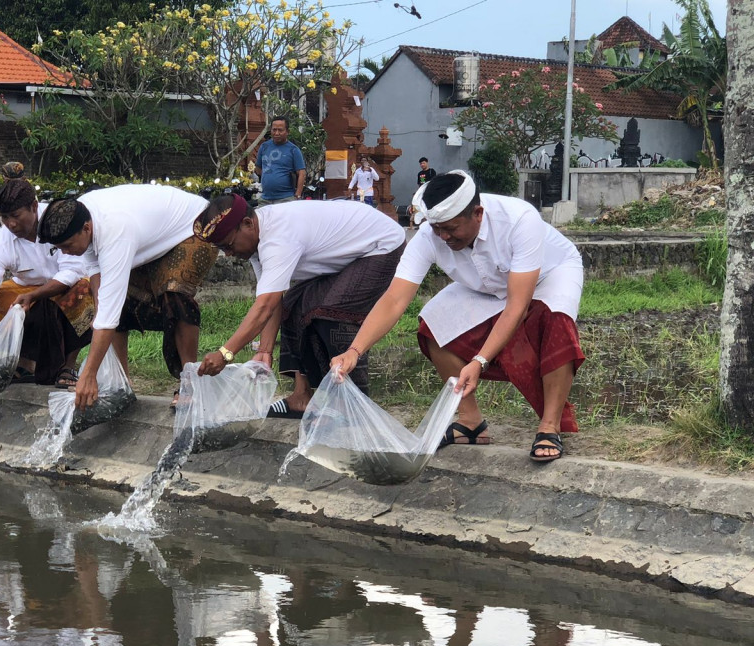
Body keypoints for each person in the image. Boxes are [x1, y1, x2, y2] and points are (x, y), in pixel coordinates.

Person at [332, 171, 585, 462]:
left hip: (548, 275)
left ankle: (549, 426)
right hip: (483, 284)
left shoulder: (519, 219)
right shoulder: (432, 235)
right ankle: (470, 422)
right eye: (437, 229)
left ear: (478, 213)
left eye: (451, 229)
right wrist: (354, 350)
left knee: (557, 323)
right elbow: (394, 299)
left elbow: (517, 305)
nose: (443, 237)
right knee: (435, 326)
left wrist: (479, 360)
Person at [193, 194, 406, 418]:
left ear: (248, 224)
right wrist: (265, 351)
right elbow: (273, 300)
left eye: (229, 245)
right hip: (353, 253)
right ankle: (301, 397)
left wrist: (225, 353)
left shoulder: (278, 237)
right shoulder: (257, 240)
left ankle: (353, 405)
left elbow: (264, 306)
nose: (228, 254)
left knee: (332, 312)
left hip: (383, 246)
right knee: (293, 304)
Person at [36, 184, 218, 409]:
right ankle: (121, 383)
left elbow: (109, 313)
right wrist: (99, 309)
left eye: (67, 245)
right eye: (58, 248)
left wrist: (89, 374)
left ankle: (190, 382)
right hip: (152, 238)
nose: (64, 252)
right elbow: (95, 269)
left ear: (86, 228)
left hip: (193, 226)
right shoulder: (82, 213)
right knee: (112, 308)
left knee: (175, 292)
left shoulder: (114, 231)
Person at [0, 179, 94, 386]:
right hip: (25, 290)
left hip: (67, 287)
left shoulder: (58, 219)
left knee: (84, 291)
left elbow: (72, 271)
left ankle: (67, 366)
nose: (11, 224)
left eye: (15, 216)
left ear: (33, 206)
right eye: (4, 217)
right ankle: (22, 364)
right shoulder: (2, 240)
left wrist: (35, 296)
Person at [255, 116, 306, 205]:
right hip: (265, 199)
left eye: (280, 130)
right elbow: (258, 169)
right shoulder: (264, 147)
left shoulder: (293, 150)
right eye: (274, 130)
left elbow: (301, 173)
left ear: (287, 132)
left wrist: (297, 195)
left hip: (286, 199)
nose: (276, 133)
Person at [408, 157, 438, 225]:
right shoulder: (420, 174)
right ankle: (422, 221)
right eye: (421, 164)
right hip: (422, 192)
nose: (422, 165)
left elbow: (434, 182)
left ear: (427, 163)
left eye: (423, 163)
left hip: (430, 192)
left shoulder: (431, 171)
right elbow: (419, 184)